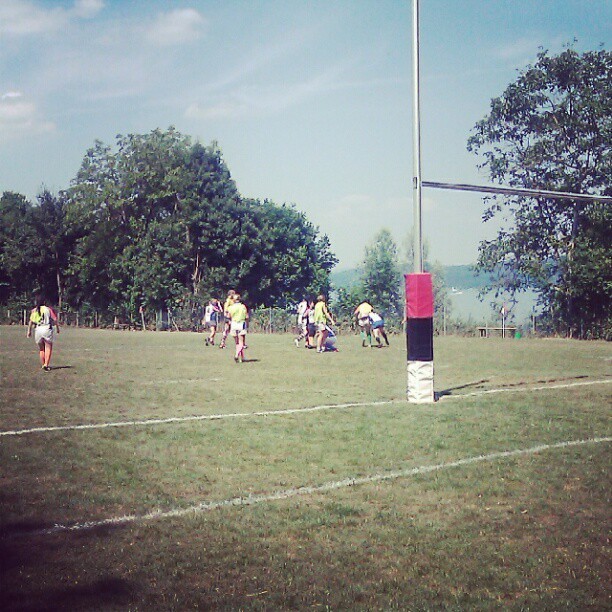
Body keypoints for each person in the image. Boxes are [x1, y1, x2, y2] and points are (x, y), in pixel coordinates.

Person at [26, 295, 60, 371]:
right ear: (44, 302)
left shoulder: (34, 310)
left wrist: (29, 331)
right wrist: (57, 328)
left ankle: (43, 364)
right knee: (48, 347)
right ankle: (46, 364)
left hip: (38, 329)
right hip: (46, 328)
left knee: (41, 349)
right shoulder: (48, 309)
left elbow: (31, 321)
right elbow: (55, 319)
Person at [227, 293, 249, 363]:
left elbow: (228, 316)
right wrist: (247, 324)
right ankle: (236, 355)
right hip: (241, 324)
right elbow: (246, 316)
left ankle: (241, 358)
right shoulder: (243, 307)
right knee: (241, 342)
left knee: (237, 343)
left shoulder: (231, 307)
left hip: (234, 324)